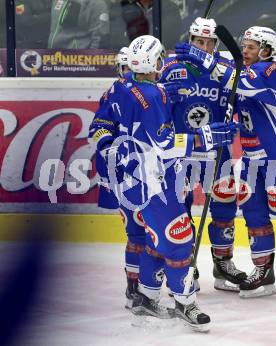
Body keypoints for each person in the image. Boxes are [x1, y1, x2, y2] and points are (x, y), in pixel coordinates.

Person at [180, 26, 276, 301]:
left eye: (251, 47)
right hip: (251, 158)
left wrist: (205, 58)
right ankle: (263, 272)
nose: (245, 51)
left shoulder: (272, 70)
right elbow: (233, 94)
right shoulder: (245, 73)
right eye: (243, 46)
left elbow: (241, 82)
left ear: (267, 50)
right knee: (254, 213)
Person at [106, 35, 238, 331]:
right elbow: (164, 143)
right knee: (179, 240)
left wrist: (166, 90)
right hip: (155, 179)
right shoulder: (153, 97)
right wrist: (207, 137)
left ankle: (147, 295)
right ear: (155, 62)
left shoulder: (122, 86)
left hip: (134, 177)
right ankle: (185, 301)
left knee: (157, 239)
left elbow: (128, 108)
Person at [162, 17, 247, 292]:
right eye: (199, 41)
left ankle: (223, 263)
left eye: (209, 43)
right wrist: (164, 92)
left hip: (216, 149)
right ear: (191, 40)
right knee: (180, 206)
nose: (204, 46)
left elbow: (241, 84)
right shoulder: (172, 65)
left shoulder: (225, 67)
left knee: (225, 204)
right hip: (183, 148)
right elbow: (151, 98)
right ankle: (186, 263)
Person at [89, 46, 145, 310]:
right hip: (124, 176)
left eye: (131, 69)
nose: (128, 74)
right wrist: (111, 149)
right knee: (136, 232)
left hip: (150, 174)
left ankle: (152, 281)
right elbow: (99, 128)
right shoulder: (113, 95)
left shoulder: (153, 92)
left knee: (154, 232)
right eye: (125, 69)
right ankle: (134, 285)